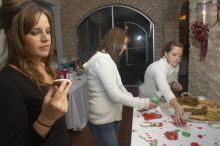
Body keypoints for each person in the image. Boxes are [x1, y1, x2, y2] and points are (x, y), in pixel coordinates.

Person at [0, 1, 72, 145]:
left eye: (48, 30)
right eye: (35, 32)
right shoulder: (8, 81)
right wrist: (46, 119)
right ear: (16, 38)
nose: (46, 38)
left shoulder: (44, 67)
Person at [83, 27, 158, 146]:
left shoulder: (106, 59)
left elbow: (119, 86)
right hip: (103, 122)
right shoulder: (102, 61)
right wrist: (143, 103)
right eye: (123, 43)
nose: (124, 48)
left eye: (126, 44)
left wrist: (133, 98)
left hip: (110, 119)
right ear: (114, 41)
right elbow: (115, 95)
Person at [139, 41, 186, 126]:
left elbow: (171, 80)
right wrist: (177, 107)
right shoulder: (158, 67)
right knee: (148, 125)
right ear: (166, 54)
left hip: (160, 99)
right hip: (147, 100)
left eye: (180, 56)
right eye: (174, 54)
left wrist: (175, 83)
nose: (177, 58)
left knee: (163, 124)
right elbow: (164, 89)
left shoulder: (176, 66)